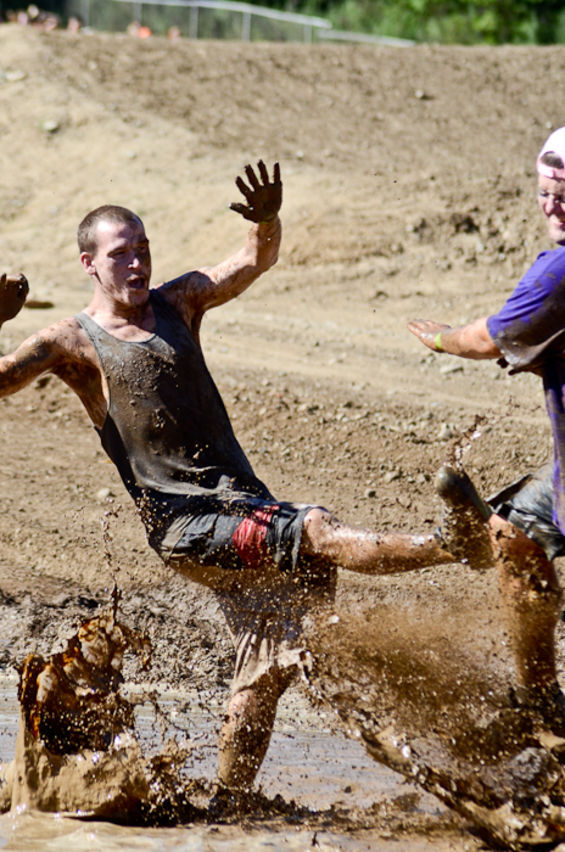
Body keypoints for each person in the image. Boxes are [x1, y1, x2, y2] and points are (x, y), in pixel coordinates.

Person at [0, 161, 453, 799]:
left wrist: (266, 218)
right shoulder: (70, 342)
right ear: (88, 265)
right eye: (121, 254)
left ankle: (230, 805)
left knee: (269, 659)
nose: (137, 265)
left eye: (143, 250)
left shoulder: (179, 302)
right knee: (315, 528)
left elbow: (251, 259)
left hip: (243, 511)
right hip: (186, 526)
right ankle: (451, 542)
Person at [408, 127, 565, 725]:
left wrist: (441, 339)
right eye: (545, 192)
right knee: (518, 527)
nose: (552, 206)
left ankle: (541, 704)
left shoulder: (559, 272)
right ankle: (541, 702)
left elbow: (488, 338)